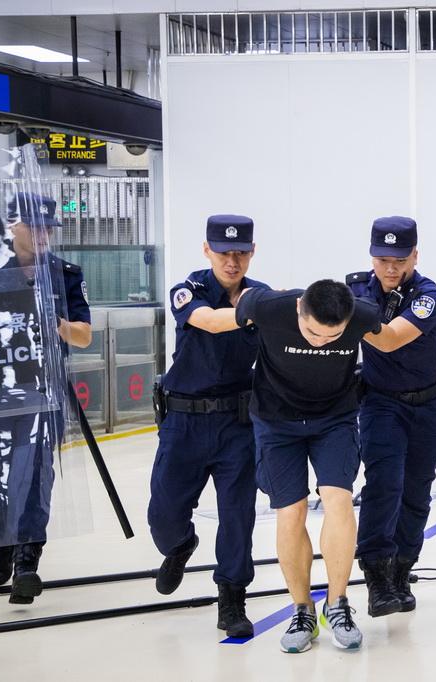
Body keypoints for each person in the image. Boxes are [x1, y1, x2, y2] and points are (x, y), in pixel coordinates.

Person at [234, 279, 380, 653]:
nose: (320, 343)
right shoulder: (268, 306)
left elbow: (390, 336)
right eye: (312, 333)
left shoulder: (363, 314)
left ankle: (337, 604)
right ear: (299, 307)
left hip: (334, 419)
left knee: (338, 500)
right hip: (276, 421)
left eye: (332, 337)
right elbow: (241, 303)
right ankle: (302, 610)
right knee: (291, 511)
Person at [146, 214, 268, 638]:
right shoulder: (189, 290)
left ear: (252, 253)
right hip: (184, 421)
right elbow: (211, 321)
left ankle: (232, 596)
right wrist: (256, 310)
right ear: (206, 250)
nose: (232, 262)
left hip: (237, 423)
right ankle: (180, 545)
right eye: (223, 253)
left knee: (238, 516)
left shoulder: (260, 294)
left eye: (240, 253)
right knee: (163, 515)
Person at [347, 216, 436, 617]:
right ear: (372, 256)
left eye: (400, 260)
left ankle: (402, 570)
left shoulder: (427, 295)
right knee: (383, 485)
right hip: (381, 404)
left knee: (416, 490)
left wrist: (347, 316)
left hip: (428, 406)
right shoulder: (356, 290)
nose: (391, 269)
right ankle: (376, 577)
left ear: (415, 256)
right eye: (383, 260)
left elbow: (390, 340)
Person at [0, 192, 91, 604]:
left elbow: (84, 336)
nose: (43, 234)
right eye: (34, 225)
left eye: (48, 227)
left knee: (33, 475)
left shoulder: (63, 274)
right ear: (13, 226)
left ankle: (26, 561)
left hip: (42, 394)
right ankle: (4, 547)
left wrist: (57, 323)